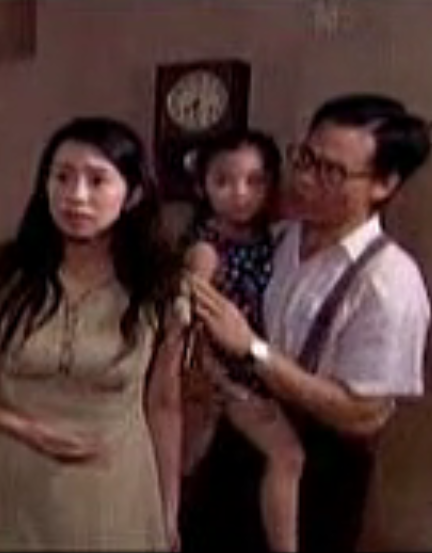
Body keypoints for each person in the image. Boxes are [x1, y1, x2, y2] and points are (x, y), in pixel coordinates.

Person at [189, 94, 431, 551]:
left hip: (319, 476)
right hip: (236, 445)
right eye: (304, 158)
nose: (304, 179)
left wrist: (252, 349)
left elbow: (363, 414)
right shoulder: (275, 238)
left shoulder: (390, 283)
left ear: (383, 184)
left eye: (331, 171)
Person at [0, 116, 183, 550]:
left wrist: (168, 511)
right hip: (13, 479)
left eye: (97, 180)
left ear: (133, 194)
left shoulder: (160, 287)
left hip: (113, 491)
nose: (76, 195)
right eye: (62, 177)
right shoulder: (8, 274)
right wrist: (24, 428)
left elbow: (164, 403)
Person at [178, 129, 304, 552]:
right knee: (286, 456)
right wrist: (221, 382)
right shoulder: (206, 248)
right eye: (224, 181)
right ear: (203, 186)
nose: (240, 194)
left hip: (261, 368)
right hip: (225, 376)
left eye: (255, 181)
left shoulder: (272, 237)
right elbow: (188, 322)